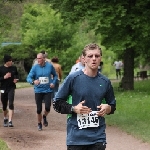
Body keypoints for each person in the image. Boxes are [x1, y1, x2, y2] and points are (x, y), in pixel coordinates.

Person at [53, 43, 116, 150]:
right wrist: (73, 108)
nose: (94, 59)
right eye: (90, 56)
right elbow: (57, 103)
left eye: (97, 56)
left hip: (98, 137)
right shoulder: (73, 78)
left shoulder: (105, 81)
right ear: (84, 59)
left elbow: (112, 106)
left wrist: (108, 108)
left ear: (100, 58)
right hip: (76, 137)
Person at [26, 53, 57, 131]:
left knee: (47, 107)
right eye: (37, 58)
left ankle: (44, 116)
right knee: (39, 109)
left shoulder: (49, 66)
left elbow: (55, 75)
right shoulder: (35, 67)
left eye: (39, 58)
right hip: (38, 90)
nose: (38, 60)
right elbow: (29, 77)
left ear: (43, 59)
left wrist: (53, 82)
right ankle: (39, 123)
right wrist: (33, 81)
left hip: (47, 90)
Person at [0, 55, 19, 127]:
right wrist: (4, 77)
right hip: (3, 88)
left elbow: (17, 75)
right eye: (10, 60)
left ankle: (10, 120)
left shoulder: (14, 68)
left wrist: (16, 80)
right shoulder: (1, 69)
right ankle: (5, 118)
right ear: (6, 61)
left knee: (11, 103)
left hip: (11, 87)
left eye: (12, 60)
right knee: (4, 105)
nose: (11, 62)